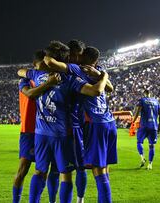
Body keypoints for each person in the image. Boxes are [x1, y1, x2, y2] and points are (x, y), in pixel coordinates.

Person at [43, 45, 117, 203]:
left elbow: (51, 63)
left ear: (82, 57)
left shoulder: (77, 69)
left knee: (96, 171)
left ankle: (80, 199)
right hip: (109, 121)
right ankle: (81, 199)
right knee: (102, 169)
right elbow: (110, 87)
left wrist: (45, 57)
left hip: (94, 124)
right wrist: (103, 75)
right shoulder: (99, 69)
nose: (74, 58)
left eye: (76, 55)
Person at [12, 50, 60, 203]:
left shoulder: (51, 77)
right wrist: (48, 84)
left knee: (44, 170)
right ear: (35, 65)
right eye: (43, 63)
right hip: (29, 130)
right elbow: (30, 94)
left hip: (46, 130)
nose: (46, 65)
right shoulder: (26, 80)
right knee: (23, 170)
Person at [131, 89, 160, 170]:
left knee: (139, 142)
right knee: (152, 146)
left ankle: (142, 157)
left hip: (144, 126)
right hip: (154, 126)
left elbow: (137, 111)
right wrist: (159, 127)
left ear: (144, 94)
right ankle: (150, 164)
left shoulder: (142, 100)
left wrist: (133, 121)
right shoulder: (156, 101)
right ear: (150, 94)